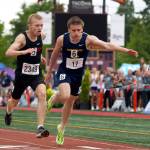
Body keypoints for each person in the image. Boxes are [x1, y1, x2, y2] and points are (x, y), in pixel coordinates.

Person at [45, 16, 138, 145]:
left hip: (78, 74)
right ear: (69, 30)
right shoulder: (62, 39)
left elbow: (106, 45)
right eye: (73, 30)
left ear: (82, 29)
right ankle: (54, 98)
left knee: (71, 100)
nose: (76, 33)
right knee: (65, 95)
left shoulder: (88, 39)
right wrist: (49, 72)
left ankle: (61, 127)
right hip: (64, 71)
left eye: (79, 30)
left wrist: (126, 50)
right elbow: (55, 54)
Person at [4, 13, 49, 138]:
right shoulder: (22, 38)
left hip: (36, 74)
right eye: (36, 26)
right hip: (22, 76)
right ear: (29, 26)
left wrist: (40, 57)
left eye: (41, 25)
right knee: (14, 101)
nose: (39, 28)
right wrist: (24, 51)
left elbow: (36, 49)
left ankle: (40, 127)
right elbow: (8, 52)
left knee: (42, 93)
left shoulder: (42, 36)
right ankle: (8, 112)